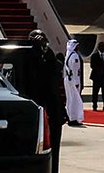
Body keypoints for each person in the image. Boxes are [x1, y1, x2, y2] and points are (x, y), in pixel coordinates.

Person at [17, 30, 68, 172]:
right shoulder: (26, 59)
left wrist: (45, 48)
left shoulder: (50, 59)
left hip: (53, 111)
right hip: (35, 110)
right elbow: (33, 75)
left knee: (54, 151)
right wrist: (34, 48)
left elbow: (54, 71)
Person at [63, 39, 85, 127]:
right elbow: (75, 70)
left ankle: (70, 116)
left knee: (70, 99)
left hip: (68, 79)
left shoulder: (68, 54)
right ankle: (73, 118)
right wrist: (76, 82)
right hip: (73, 80)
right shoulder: (75, 56)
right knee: (74, 100)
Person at [89, 41, 104, 112]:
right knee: (95, 92)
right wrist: (100, 69)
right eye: (101, 46)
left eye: (103, 46)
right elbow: (92, 65)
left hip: (103, 77)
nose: (102, 48)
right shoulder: (94, 56)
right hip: (96, 77)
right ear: (98, 48)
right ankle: (94, 105)